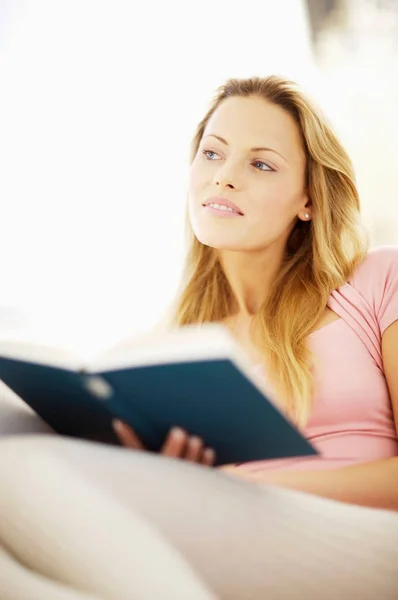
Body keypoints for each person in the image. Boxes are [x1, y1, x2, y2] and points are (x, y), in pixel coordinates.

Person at [0, 75, 397, 600]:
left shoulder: (375, 280)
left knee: (17, 474)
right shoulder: (173, 344)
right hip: (231, 543)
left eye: (261, 164)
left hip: (359, 538)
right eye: (213, 154)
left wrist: (239, 488)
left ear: (308, 199)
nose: (224, 178)